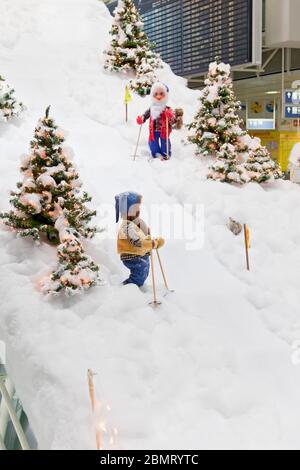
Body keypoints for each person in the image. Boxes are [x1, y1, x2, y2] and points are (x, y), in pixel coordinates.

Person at [115, 192, 165, 288]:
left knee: (143, 273)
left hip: (139, 254)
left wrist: (151, 240)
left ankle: (134, 289)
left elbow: (143, 238)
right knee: (139, 275)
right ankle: (126, 289)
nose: (139, 209)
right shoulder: (127, 226)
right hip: (132, 255)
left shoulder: (136, 223)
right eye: (136, 207)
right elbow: (137, 242)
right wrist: (153, 243)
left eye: (139, 207)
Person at [136, 82, 175, 160]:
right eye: (156, 94)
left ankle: (165, 154)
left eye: (161, 94)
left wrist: (170, 116)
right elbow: (146, 115)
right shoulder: (152, 108)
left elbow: (173, 119)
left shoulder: (167, 109)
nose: (158, 96)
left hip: (164, 131)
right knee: (153, 144)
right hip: (153, 131)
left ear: (165, 95)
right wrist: (142, 118)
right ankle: (156, 154)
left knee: (165, 144)